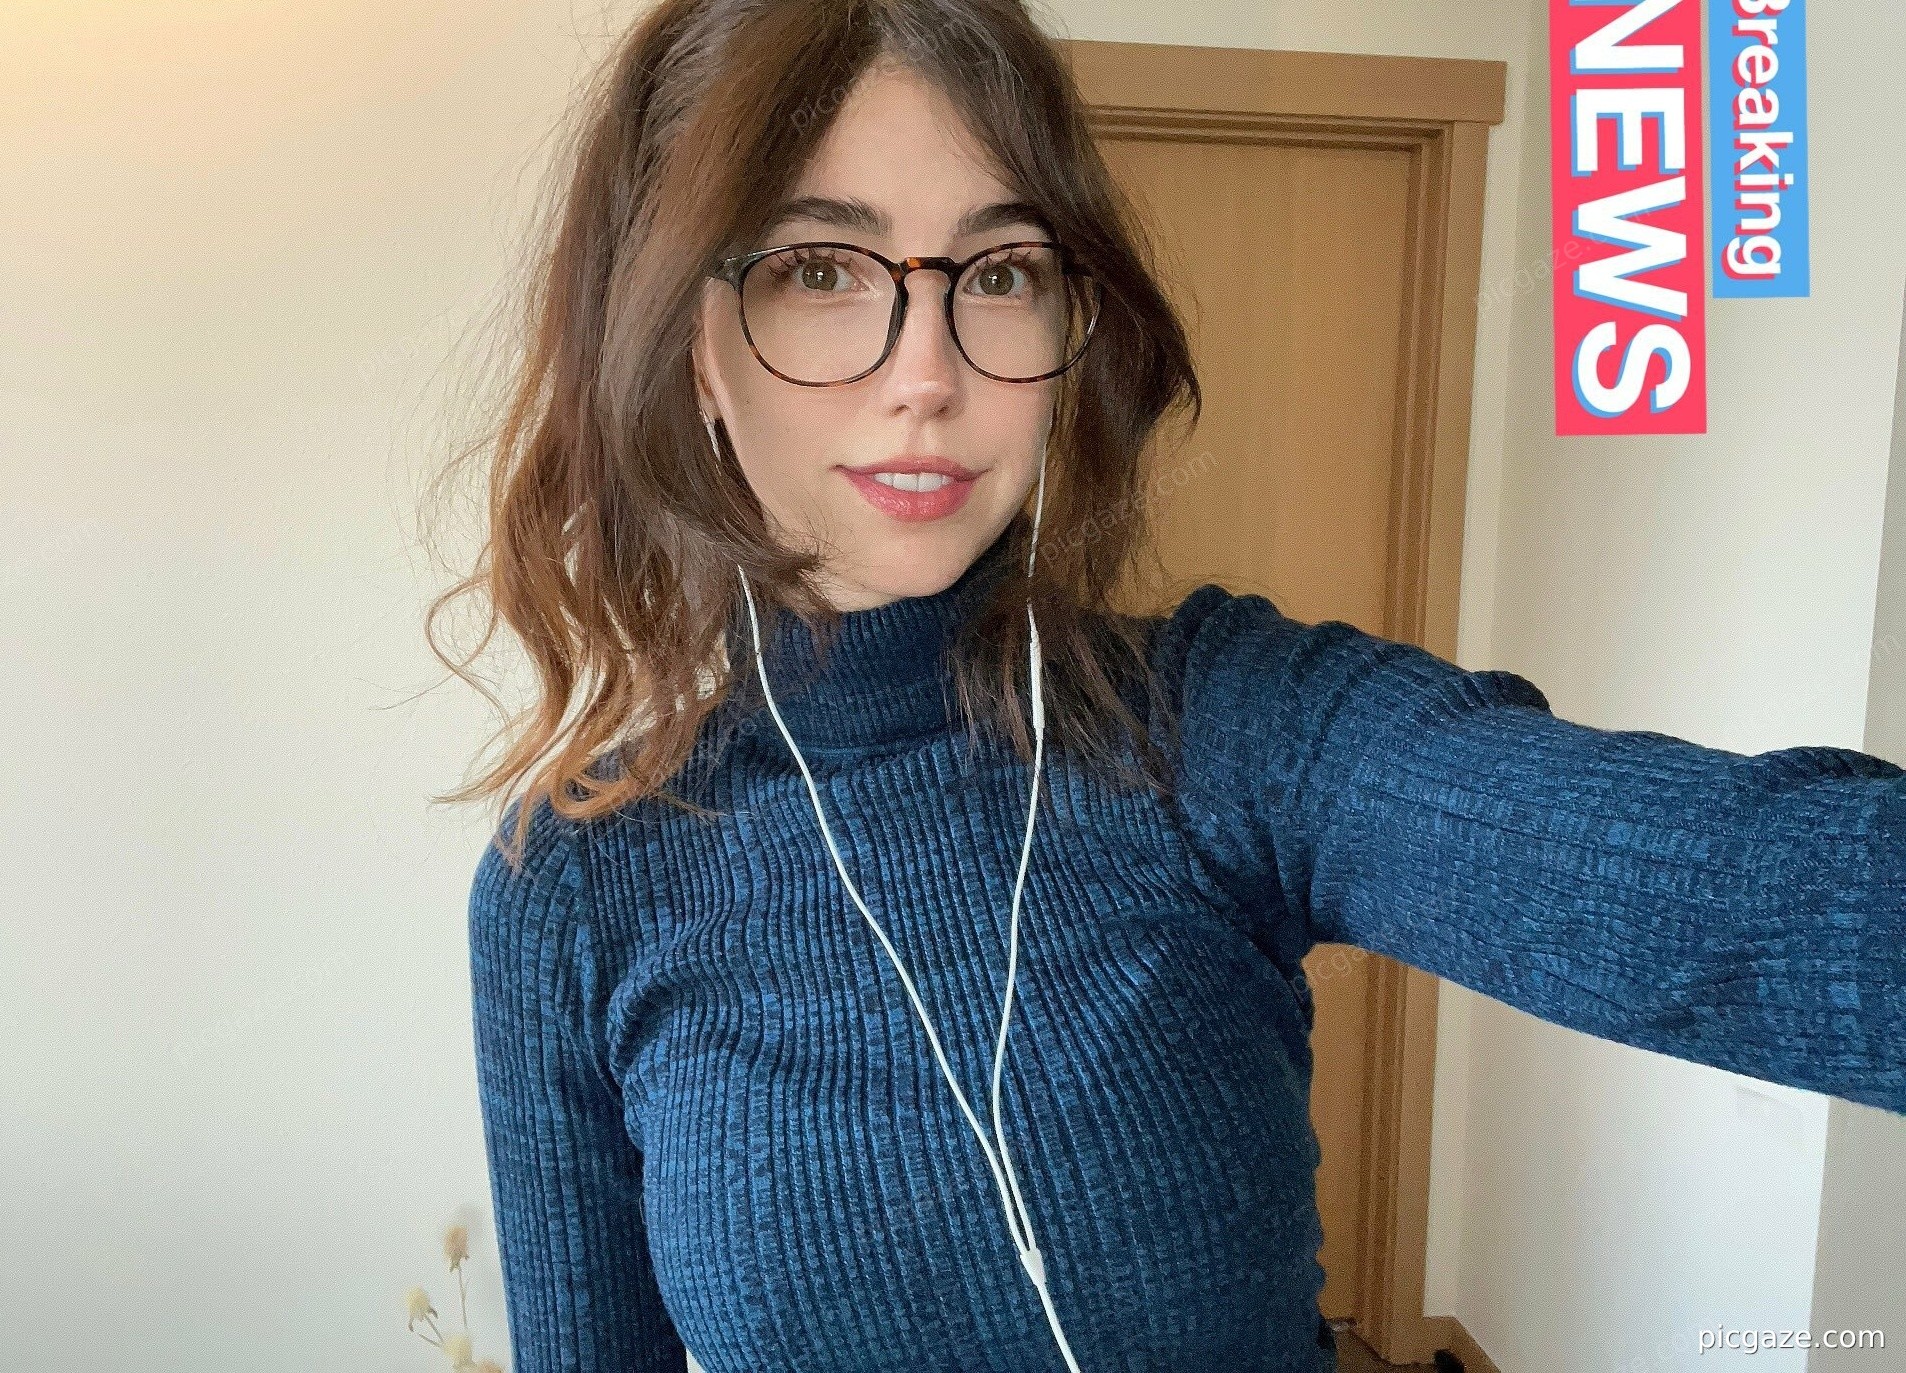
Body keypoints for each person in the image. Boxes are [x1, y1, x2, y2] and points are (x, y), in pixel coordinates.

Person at [431, 2, 1906, 1370]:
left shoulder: (1218, 726)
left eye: (1000, 273)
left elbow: (1741, 900)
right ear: (686, 340)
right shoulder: (576, 885)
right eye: (820, 268)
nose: (927, 371)